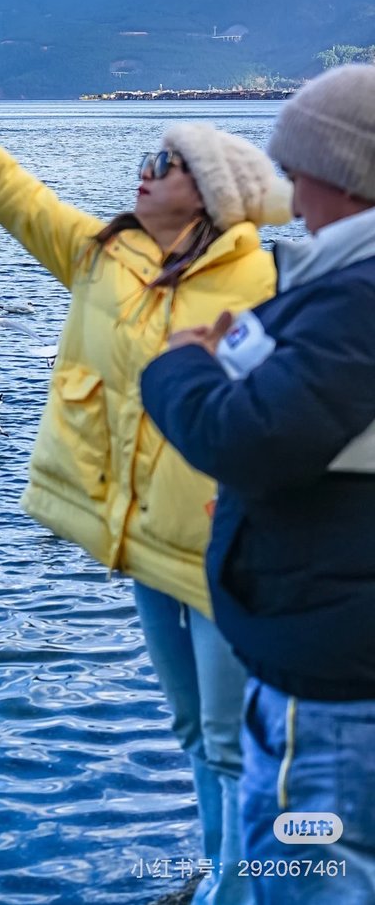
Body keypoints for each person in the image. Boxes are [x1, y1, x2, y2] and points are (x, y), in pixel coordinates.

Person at [0, 61, 292, 905]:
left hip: (228, 553)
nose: (143, 172)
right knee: (190, 727)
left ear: (211, 192)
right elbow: (17, 196)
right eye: (145, 158)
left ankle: (238, 890)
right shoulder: (105, 256)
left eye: (165, 162)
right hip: (141, 544)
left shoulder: (268, 278)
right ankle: (219, 871)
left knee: (228, 735)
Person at [140, 65, 375, 903]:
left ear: (338, 172)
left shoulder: (360, 295)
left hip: (333, 686)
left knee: (314, 876)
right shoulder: (336, 285)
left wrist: (178, 370)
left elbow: (256, 439)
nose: (287, 189)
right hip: (325, 654)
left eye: (296, 167)